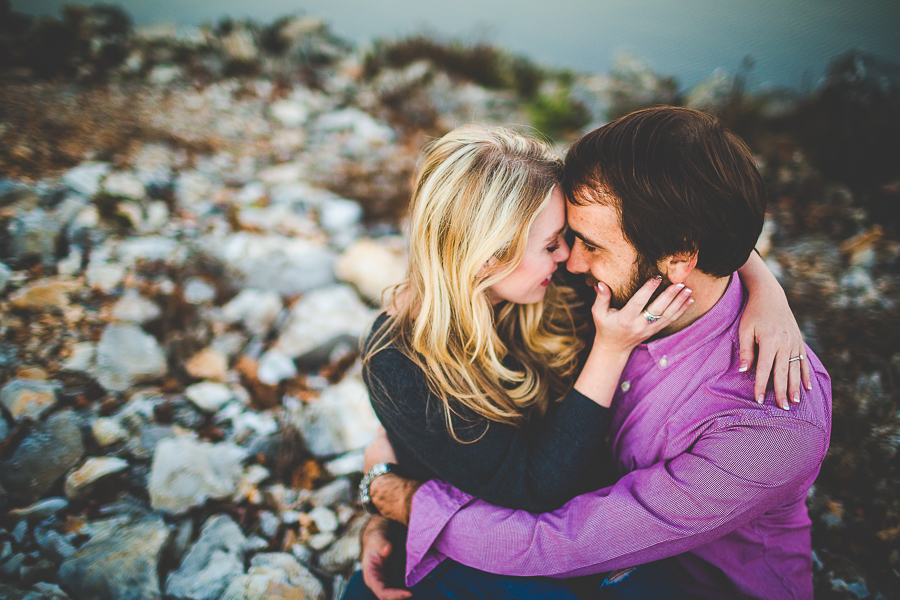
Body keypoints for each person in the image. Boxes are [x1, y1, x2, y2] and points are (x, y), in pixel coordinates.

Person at [350, 114, 820, 599]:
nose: (572, 261)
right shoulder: (606, 286)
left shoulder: (769, 423)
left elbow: (556, 540)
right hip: (565, 540)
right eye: (559, 242)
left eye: (584, 244)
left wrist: (393, 496)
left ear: (679, 258)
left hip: (672, 579)